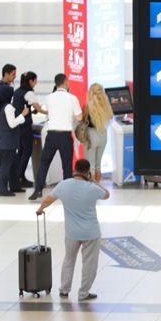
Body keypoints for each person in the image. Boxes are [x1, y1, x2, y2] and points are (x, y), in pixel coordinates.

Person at [34, 158, 107, 300]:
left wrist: (40, 209)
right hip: (91, 233)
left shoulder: (64, 185)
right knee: (89, 264)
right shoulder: (92, 188)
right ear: (87, 172)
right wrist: (93, 181)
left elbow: (48, 199)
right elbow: (106, 194)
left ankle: (64, 290)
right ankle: (83, 293)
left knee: (69, 260)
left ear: (74, 169)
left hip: (72, 233)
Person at [28, 73, 82, 201]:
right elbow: (79, 117)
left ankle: (38, 190)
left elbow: (46, 111)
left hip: (51, 136)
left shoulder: (49, 97)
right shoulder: (72, 98)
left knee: (44, 163)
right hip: (65, 136)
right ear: (65, 82)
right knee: (67, 166)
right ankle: (67, 193)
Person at [0, 64, 27, 197]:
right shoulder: (8, 107)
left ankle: (14, 185)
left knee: (11, 164)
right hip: (8, 141)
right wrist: (22, 115)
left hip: (5, 140)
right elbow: (12, 124)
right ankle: (2, 189)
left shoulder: (0, 106)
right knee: (6, 165)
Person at [12, 71, 40, 192]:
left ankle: (19, 177)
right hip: (25, 126)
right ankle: (19, 177)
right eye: (35, 80)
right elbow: (39, 108)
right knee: (27, 150)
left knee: (21, 151)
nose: (36, 83)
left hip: (18, 125)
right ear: (30, 81)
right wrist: (49, 112)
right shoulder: (29, 93)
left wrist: (31, 111)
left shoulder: (17, 91)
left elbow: (20, 107)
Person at [82, 83, 113, 183]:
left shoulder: (87, 107)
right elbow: (110, 118)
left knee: (90, 165)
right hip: (103, 135)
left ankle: (91, 187)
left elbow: (81, 120)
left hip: (91, 136)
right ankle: (97, 186)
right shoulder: (106, 106)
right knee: (98, 166)